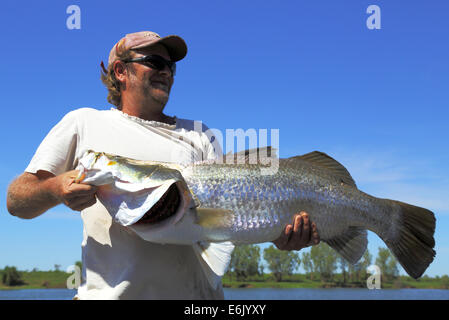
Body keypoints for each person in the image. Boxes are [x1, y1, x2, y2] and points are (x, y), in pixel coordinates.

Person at [6, 31, 320, 299]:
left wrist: (275, 230)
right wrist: (56, 188)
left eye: (170, 66)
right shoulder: (84, 123)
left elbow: (219, 223)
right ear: (120, 71)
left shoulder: (199, 134)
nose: (166, 72)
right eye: (154, 62)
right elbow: (17, 200)